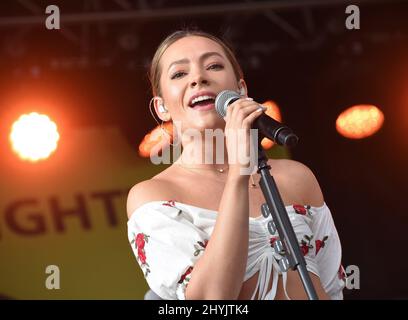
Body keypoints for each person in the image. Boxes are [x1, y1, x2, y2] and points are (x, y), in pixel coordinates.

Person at [127, 29, 346, 300]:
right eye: (179, 74)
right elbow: (211, 300)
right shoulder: (153, 195)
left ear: (240, 89)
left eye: (214, 66)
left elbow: (332, 289)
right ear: (161, 107)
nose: (198, 78)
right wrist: (239, 173)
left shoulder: (296, 177)